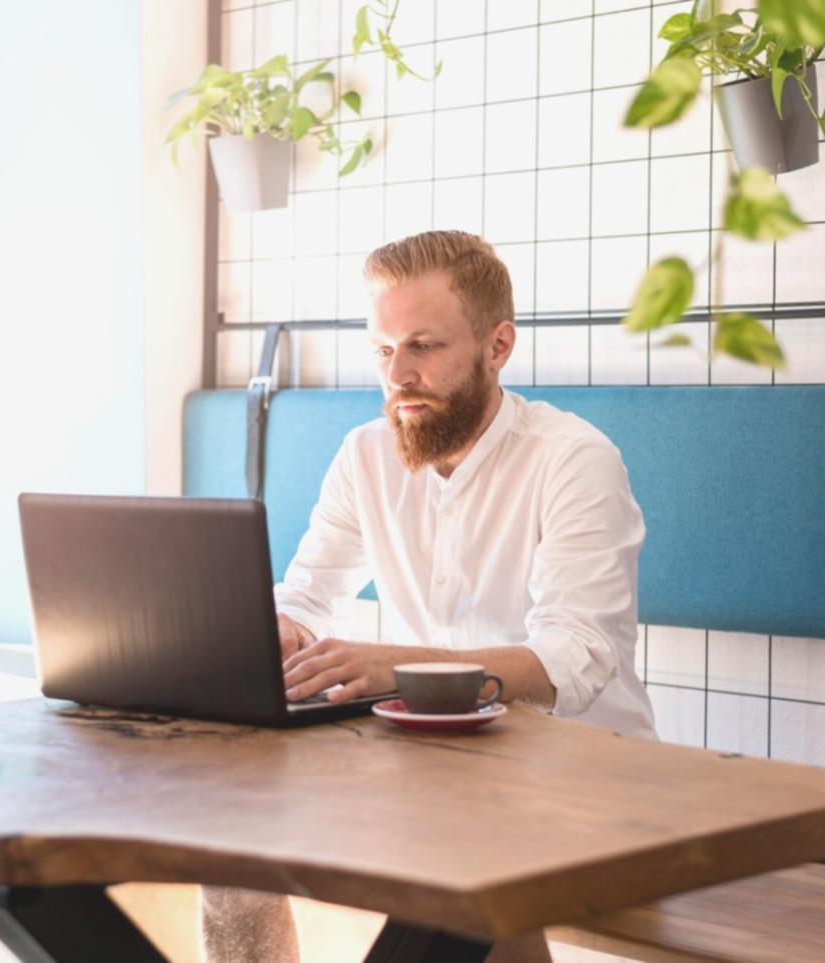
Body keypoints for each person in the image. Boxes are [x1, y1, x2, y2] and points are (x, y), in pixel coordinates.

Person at [203, 230, 655, 963]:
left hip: (589, 784)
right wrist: (271, 634)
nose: (398, 375)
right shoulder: (364, 455)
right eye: (383, 350)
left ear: (498, 345)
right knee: (228, 844)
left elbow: (577, 658)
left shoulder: (575, 460)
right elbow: (309, 596)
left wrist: (398, 668)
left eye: (423, 346)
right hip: (435, 777)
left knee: (465, 874)